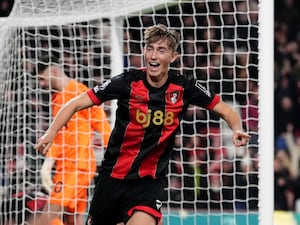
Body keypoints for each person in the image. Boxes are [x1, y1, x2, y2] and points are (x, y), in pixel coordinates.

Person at [34, 24, 250, 225]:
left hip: (148, 181)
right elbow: (75, 104)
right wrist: (50, 133)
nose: (154, 55)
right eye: (150, 49)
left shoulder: (185, 87)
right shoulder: (126, 82)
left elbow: (225, 109)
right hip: (113, 178)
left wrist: (237, 127)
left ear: (173, 56)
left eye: (161, 50)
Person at [31, 54, 112, 225]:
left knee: (46, 218)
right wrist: (48, 162)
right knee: (72, 221)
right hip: (65, 166)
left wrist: (118, 155)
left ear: (54, 71)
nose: (41, 84)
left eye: (42, 79)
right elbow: (59, 137)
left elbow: (102, 126)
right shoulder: (56, 99)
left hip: (77, 166)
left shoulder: (80, 93)